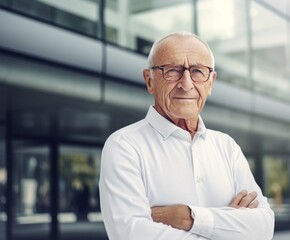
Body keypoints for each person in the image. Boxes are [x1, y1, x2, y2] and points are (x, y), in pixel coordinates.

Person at [99, 32, 275, 239]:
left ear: (211, 82)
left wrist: (187, 218)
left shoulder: (227, 147)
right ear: (150, 81)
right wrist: (230, 228)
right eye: (172, 70)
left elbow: (263, 229)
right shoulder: (124, 146)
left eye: (198, 71)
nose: (187, 83)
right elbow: (130, 234)